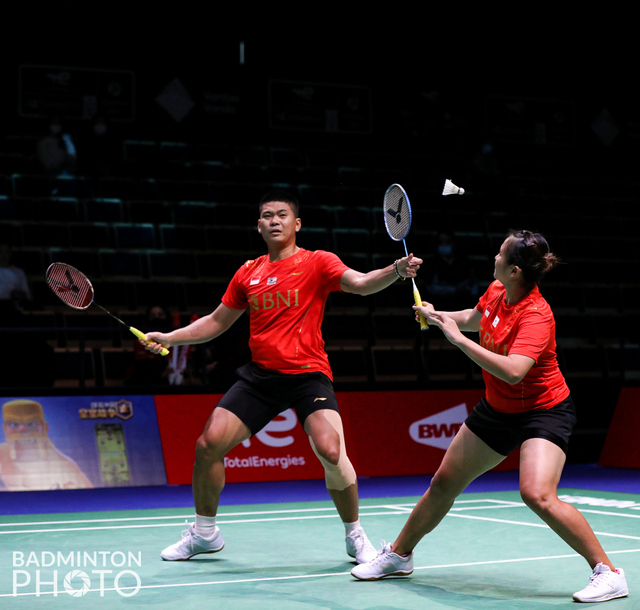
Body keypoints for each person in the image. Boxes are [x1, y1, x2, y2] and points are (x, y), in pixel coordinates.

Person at [143, 190, 422, 564]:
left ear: (297, 224)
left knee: (331, 450)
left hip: (308, 375)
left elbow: (359, 283)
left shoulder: (318, 262)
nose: (274, 220)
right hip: (261, 378)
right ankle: (204, 534)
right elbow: (215, 322)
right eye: (267, 216)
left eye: (282, 215)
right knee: (208, 443)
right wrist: (169, 338)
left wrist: (395, 271)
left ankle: (354, 535)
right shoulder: (248, 272)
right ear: (258, 226)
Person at [351, 230, 628, 604]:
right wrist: (438, 316)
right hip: (498, 409)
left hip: (542, 411)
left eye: (499, 254)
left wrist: (458, 341)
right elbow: (474, 318)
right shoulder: (498, 292)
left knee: (537, 494)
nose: (493, 257)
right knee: (444, 481)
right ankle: (399, 556)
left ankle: (608, 574)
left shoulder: (536, 315)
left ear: (515, 270)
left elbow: (514, 370)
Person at [0, 399, 93, 491]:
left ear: (45, 428)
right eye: (14, 424)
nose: (22, 430)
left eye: (31, 424)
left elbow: (90, 498)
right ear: (5, 430)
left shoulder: (64, 466)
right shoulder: (2, 453)